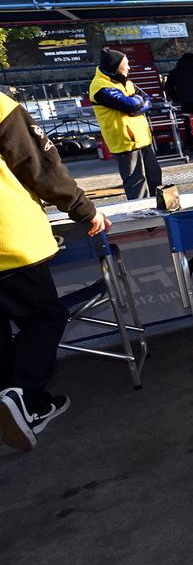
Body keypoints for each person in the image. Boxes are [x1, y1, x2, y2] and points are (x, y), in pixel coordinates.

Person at [0, 89, 110, 451]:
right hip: (8, 243)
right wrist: (83, 209)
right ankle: (24, 397)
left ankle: (14, 403)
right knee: (44, 318)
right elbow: (40, 166)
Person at [90, 48, 161, 200]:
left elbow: (147, 100)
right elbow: (130, 105)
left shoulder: (126, 81)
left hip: (143, 139)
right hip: (125, 143)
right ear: (115, 65)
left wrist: (137, 104)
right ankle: (141, 214)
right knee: (137, 184)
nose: (129, 67)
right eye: (126, 64)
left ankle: (160, 209)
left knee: (155, 177)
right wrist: (137, 103)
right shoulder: (100, 86)